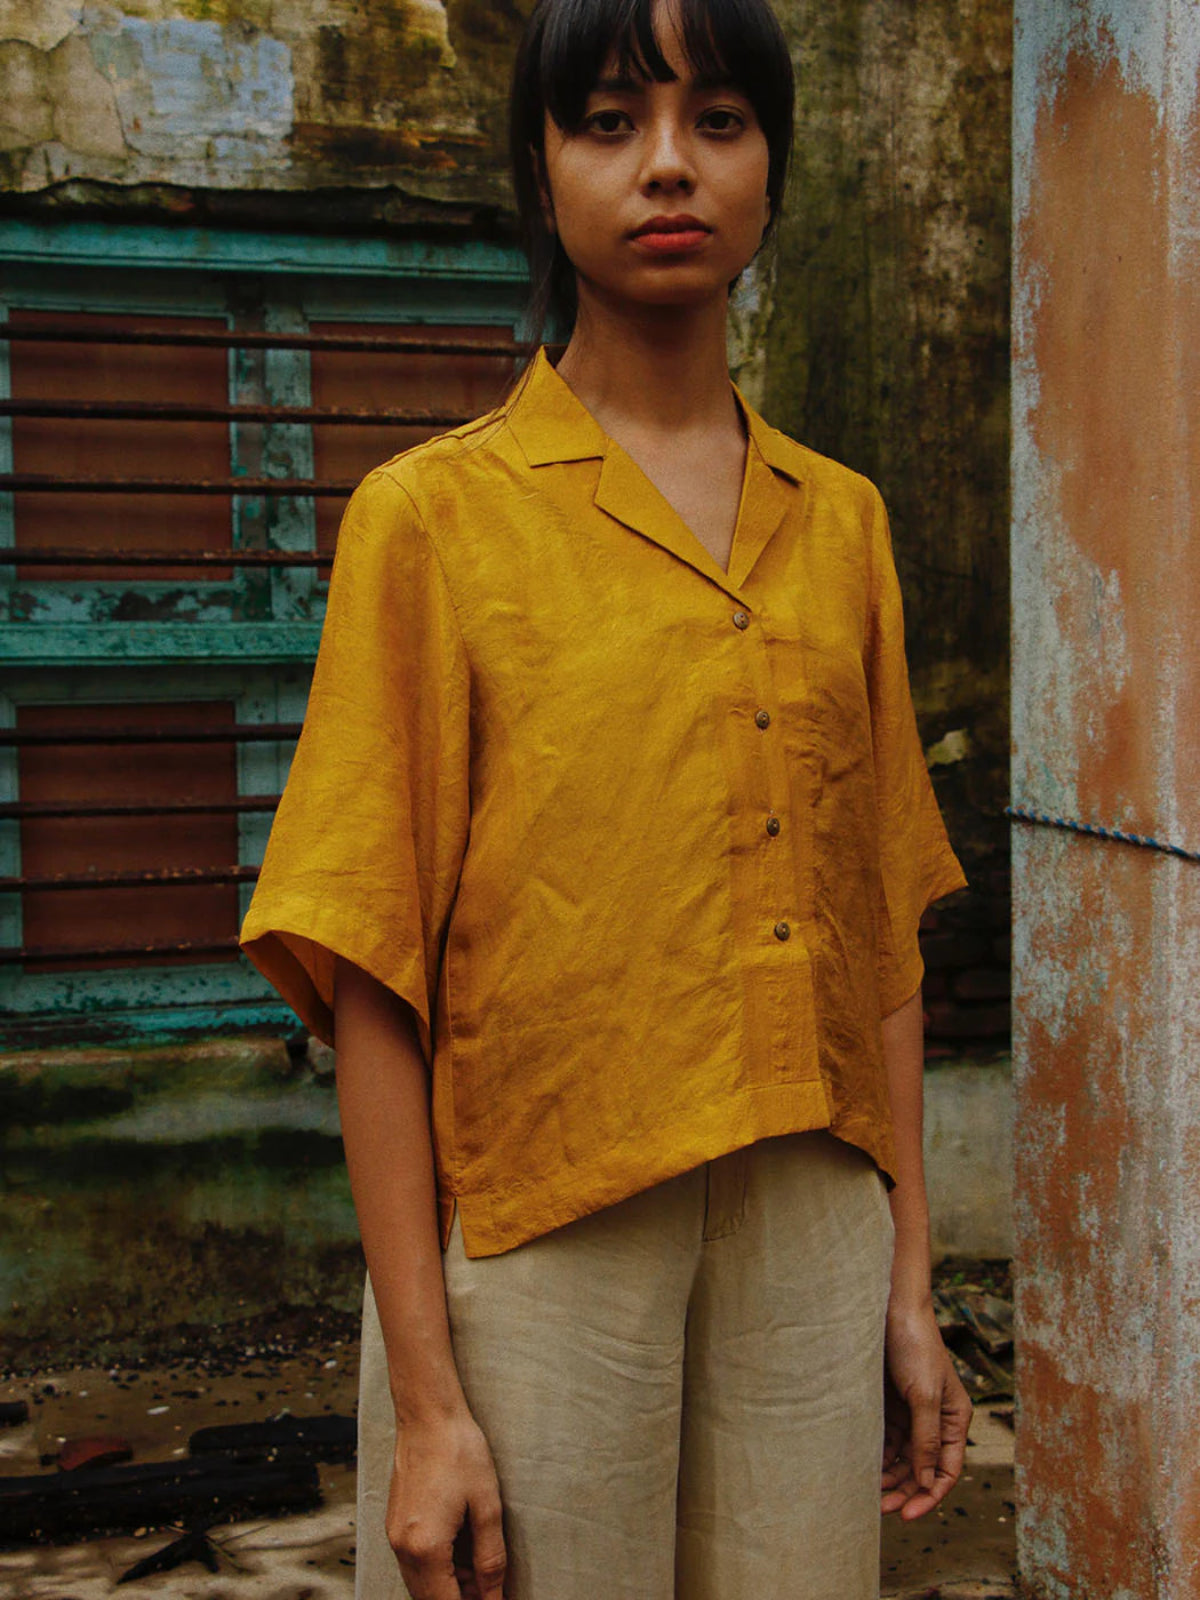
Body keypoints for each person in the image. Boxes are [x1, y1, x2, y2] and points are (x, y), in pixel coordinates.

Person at [239, 0, 973, 1595]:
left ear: (774, 170)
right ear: (539, 167)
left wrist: (909, 1286)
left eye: (719, 120)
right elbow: (370, 969)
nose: (668, 166)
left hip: (812, 1224)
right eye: (609, 121)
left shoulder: (841, 524)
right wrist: (428, 1405)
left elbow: (882, 938)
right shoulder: (434, 521)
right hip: (544, 1230)